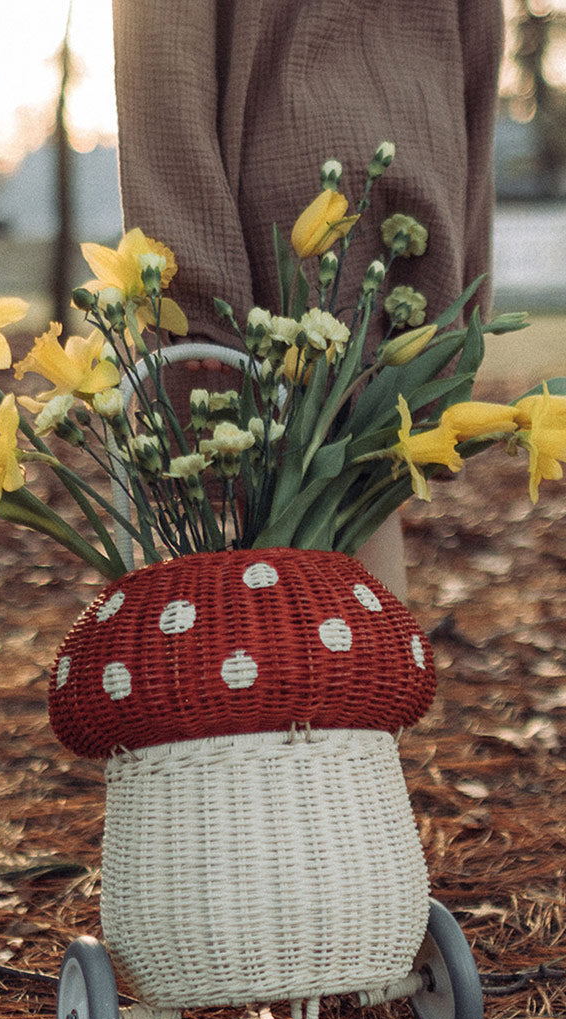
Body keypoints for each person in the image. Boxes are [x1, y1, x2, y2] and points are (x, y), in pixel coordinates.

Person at [110, 0, 504, 600]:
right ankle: (353, 683)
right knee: (356, 481)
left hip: (283, 172)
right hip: (419, 158)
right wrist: (467, 297)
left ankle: (288, 685)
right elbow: (481, 46)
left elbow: (165, 51)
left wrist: (189, 291)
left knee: (303, 486)